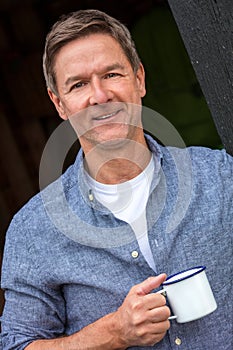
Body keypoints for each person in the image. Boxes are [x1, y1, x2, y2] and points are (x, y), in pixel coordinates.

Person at [0, 9, 232, 350]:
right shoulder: (33, 231)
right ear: (59, 103)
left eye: (111, 74)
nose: (99, 95)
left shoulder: (222, 177)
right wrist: (112, 333)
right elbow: (16, 345)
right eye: (78, 84)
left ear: (139, 79)